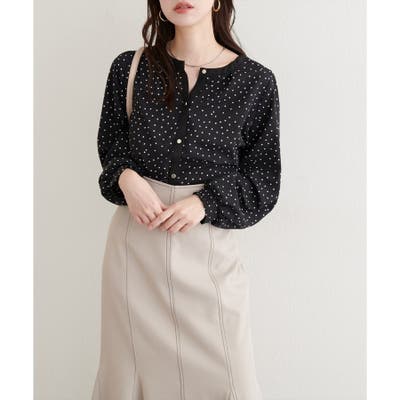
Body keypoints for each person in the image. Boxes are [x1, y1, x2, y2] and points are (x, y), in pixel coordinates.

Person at [91, 0, 281, 399]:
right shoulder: (129, 68)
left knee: (232, 382)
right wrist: (127, 178)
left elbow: (263, 179)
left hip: (208, 253)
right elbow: (111, 146)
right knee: (128, 378)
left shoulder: (255, 81)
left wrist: (205, 203)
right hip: (135, 249)